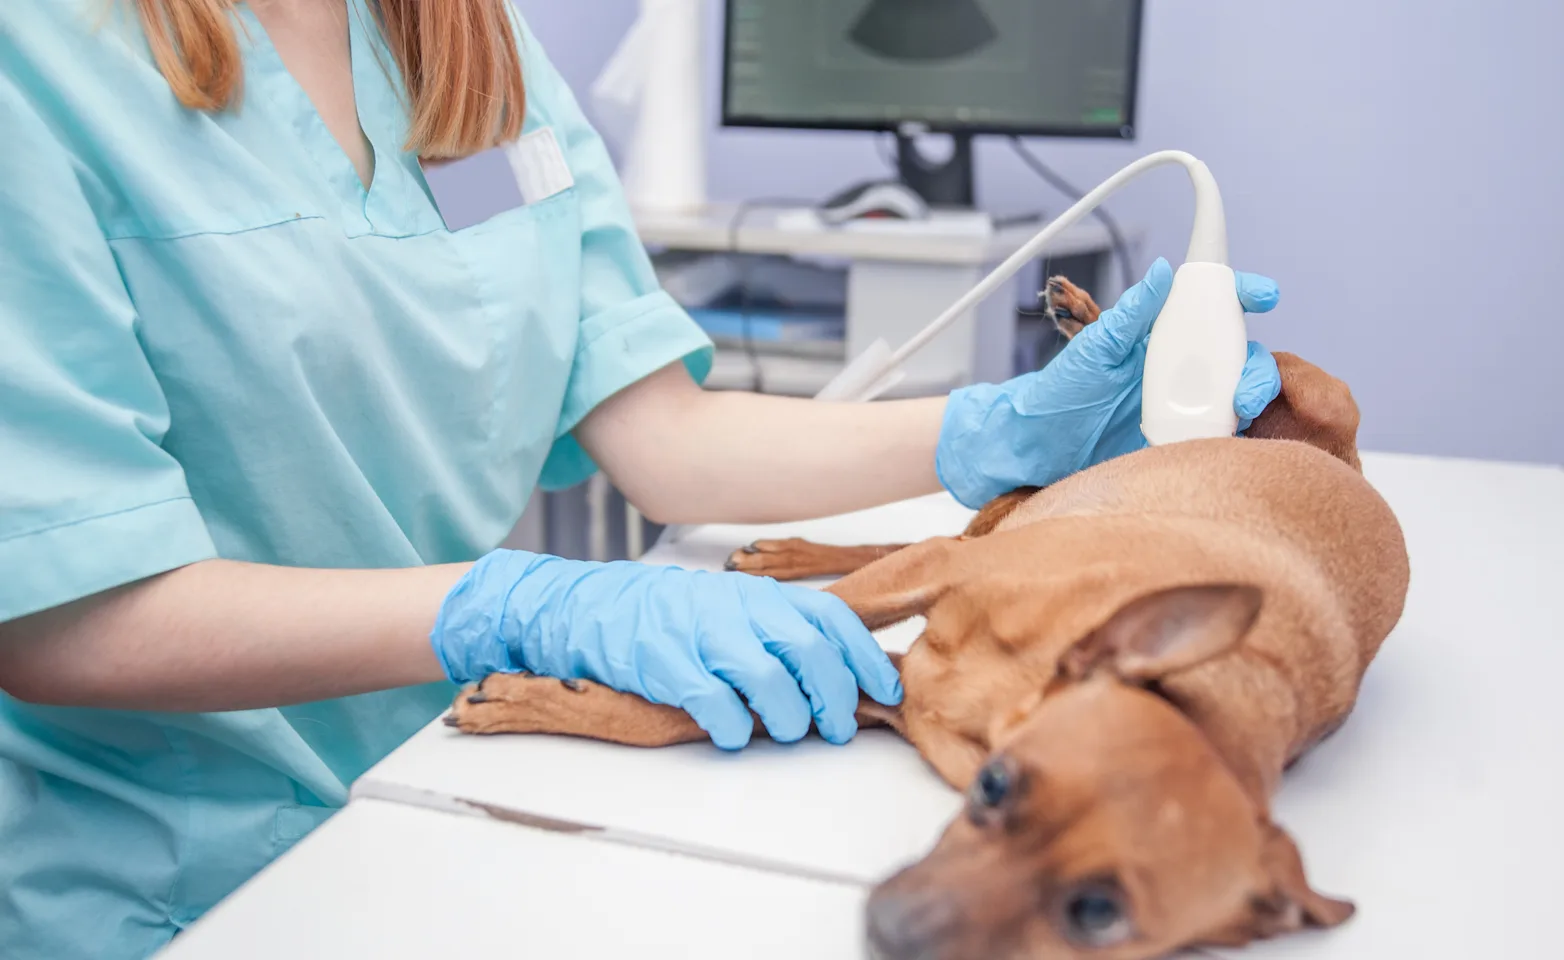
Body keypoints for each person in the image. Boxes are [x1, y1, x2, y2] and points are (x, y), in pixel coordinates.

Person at [0, 1, 1287, 956]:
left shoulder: (458, 39)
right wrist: (521, 606)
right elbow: (64, 614)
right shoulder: (40, 59)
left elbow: (658, 432)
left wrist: (996, 431)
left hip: (456, 785)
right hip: (168, 876)